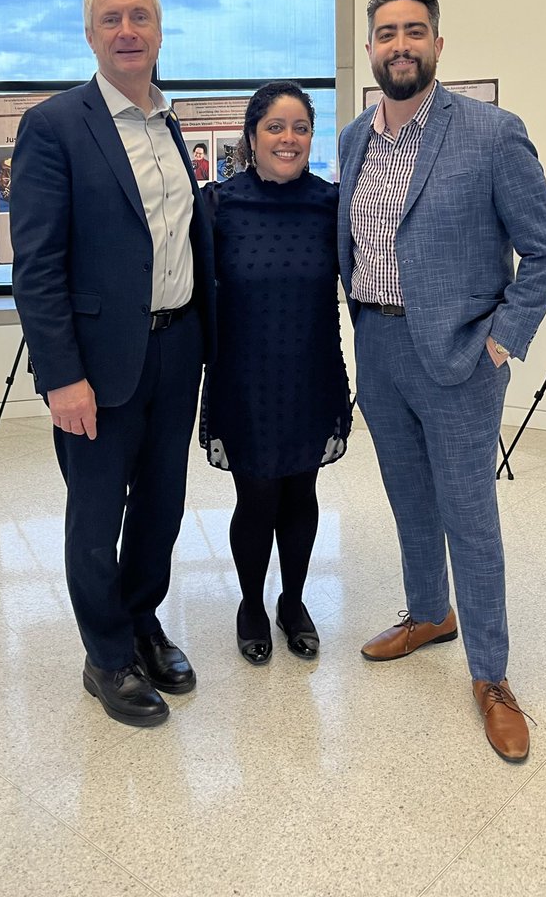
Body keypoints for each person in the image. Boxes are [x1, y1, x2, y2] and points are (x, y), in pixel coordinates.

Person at [338, 0, 546, 762]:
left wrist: (500, 341)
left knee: (470, 517)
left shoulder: (492, 134)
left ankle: (494, 676)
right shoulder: (352, 140)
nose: (399, 44)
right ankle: (428, 614)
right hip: (378, 347)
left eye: (414, 31)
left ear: (438, 44)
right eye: (385, 34)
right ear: (370, 49)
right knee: (408, 501)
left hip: (461, 358)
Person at [11, 0, 215, 729]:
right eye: (111, 20)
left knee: (163, 507)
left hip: (177, 346)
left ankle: (140, 619)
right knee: (97, 515)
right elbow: (35, 266)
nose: (126, 31)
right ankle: (105, 656)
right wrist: (61, 375)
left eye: (140, 17)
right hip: (96, 366)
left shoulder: (168, 122)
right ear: (90, 35)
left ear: (160, 32)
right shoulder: (55, 125)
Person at [200, 82, 351, 665]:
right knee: (257, 495)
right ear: (251, 135)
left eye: (300, 128)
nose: (288, 139)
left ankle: (292, 601)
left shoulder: (331, 204)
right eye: (275, 127)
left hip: (311, 370)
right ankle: (250, 604)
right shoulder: (219, 204)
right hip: (245, 376)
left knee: (301, 492)